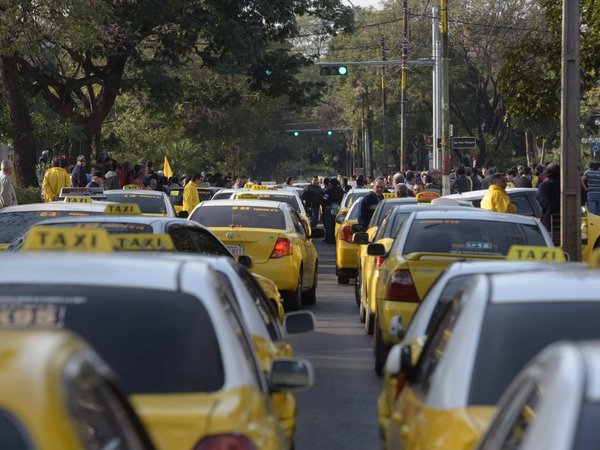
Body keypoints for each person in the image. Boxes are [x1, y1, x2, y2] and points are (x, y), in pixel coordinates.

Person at [536, 163, 560, 232]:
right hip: (566, 221)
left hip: (548, 221)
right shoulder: (565, 185)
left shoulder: (543, 186)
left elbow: (538, 198)